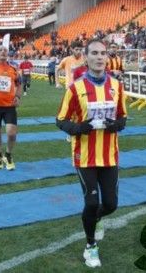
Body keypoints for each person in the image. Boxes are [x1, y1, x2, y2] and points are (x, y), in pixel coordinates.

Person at [56, 40, 127, 268]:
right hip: (84, 156)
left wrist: (116, 125)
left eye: (103, 53)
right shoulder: (75, 88)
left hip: (109, 155)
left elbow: (123, 116)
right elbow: (60, 120)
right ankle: (90, 247)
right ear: (86, 58)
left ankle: (96, 219)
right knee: (91, 202)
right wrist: (78, 128)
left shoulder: (117, 85)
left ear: (107, 57)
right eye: (94, 53)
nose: (99, 57)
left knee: (111, 204)